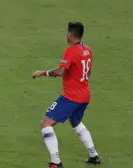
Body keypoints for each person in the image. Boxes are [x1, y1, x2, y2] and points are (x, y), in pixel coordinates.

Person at [32, 21, 100, 168]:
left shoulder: (71, 51)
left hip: (71, 96)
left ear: (70, 35)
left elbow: (60, 72)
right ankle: (94, 155)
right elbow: (88, 72)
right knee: (75, 122)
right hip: (85, 94)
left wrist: (42, 73)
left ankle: (55, 163)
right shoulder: (88, 50)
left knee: (46, 124)